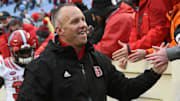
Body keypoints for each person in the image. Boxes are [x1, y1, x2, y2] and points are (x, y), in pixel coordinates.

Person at [17, 4, 167, 101]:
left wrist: (154, 73)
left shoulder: (99, 60)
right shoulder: (41, 66)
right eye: (75, 21)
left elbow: (126, 90)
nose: (83, 25)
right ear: (59, 30)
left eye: (83, 20)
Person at [0, 30, 36, 101]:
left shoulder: (39, 64)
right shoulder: (4, 66)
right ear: (12, 51)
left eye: (28, 51)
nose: (25, 55)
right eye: (22, 52)